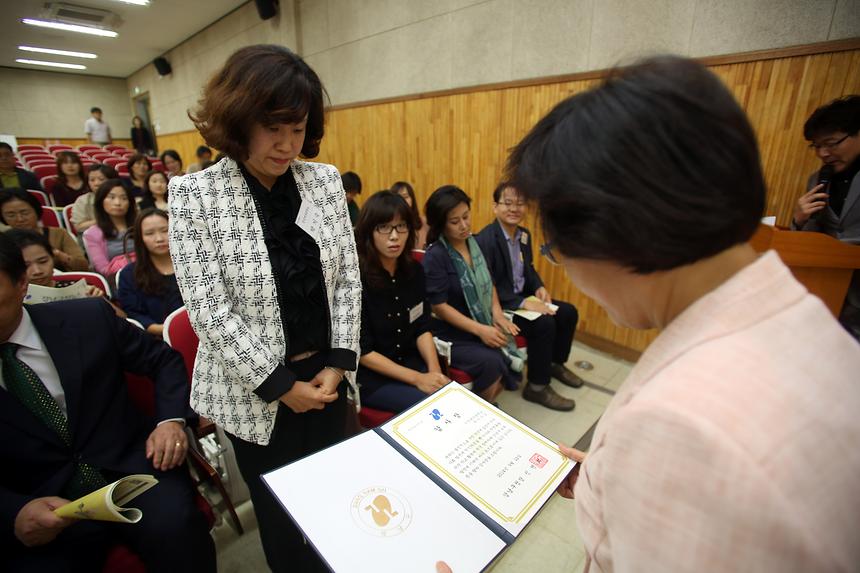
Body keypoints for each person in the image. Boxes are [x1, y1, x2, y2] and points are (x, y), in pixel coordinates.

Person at [501, 55, 860, 572]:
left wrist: (651, 458)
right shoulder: (802, 316)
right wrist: (617, 474)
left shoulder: (677, 426)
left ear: (609, 231)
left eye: (557, 248)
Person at [170, 44, 361, 573]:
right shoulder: (194, 196)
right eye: (273, 127)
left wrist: (337, 363)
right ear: (238, 120)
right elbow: (209, 309)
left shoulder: (322, 182)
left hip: (326, 375)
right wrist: (280, 386)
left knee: (331, 496)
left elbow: (346, 278)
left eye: (298, 129)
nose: (287, 144)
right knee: (281, 513)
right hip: (256, 391)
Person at [0, 233, 216, 573]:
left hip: (131, 470)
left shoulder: (86, 318)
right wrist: (13, 510)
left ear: (21, 283)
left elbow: (163, 362)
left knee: (178, 528)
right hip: (39, 501)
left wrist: (169, 421)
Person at [475, 182, 581, 411]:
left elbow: (529, 268)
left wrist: (539, 288)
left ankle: (555, 364)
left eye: (520, 203)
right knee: (544, 323)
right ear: (495, 207)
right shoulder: (486, 239)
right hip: (502, 306)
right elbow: (488, 284)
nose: (514, 208)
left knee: (568, 312)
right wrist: (524, 302)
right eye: (508, 203)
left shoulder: (524, 235)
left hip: (523, 298)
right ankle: (537, 387)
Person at [422, 185, 521, 403]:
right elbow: (440, 306)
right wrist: (481, 330)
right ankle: (479, 410)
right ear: (441, 224)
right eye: (455, 222)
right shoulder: (436, 255)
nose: (464, 225)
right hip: (451, 332)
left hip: (480, 321)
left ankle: (487, 405)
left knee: (504, 342)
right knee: (492, 360)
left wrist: (497, 315)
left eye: (466, 217)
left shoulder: (475, 243)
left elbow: (489, 282)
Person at [355, 191, 448, 412]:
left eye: (401, 226)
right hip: (375, 379)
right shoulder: (356, 280)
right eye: (384, 227)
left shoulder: (414, 270)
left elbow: (422, 326)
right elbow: (363, 351)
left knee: (449, 396)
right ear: (369, 231)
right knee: (431, 408)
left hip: (413, 362)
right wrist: (418, 379)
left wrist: (434, 371)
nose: (394, 236)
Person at [791, 95, 860, 340]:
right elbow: (812, 239)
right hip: (827, 292)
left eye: (831, 143)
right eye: (817, 146)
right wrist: (799, 220)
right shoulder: (817, 180)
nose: (823, 153)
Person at [118, 209, 182, 337]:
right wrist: (167, 330)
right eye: (149, 233)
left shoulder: (192, 264)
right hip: (158, 340)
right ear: (140, 238)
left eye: (165, 231)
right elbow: (135, 315)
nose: (159, 239)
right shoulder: (129, 274)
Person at [0, 188, 88, 271]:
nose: (20, 219)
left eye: (25, 213)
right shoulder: (3, 241)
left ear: (36, 210)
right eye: (11, 215)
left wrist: (57, 254)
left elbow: (83, 267)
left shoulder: (59, 234)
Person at [7, 229, 106, 296]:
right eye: (25, 266)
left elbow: (119, 320)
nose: (37, 271)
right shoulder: (9, 302)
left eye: (43, 261)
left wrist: (99, 301)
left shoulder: (80, 290)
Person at [82, 179, 136, 276]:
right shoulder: (92, 234)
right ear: (101, 201)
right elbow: (103, 269)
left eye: (124, 198)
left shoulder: (139, 225)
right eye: (111, 197)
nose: (118, 203)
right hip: (118, 279)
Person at [71, 163, 118, 234]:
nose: (96, 183)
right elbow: (79, 227)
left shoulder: (123, 197)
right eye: (92, 180)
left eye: (101, 179)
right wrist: (105, 220)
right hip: (91, 236)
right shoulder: (82, 200)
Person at [391, 180, 428, 249]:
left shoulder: (425, 222)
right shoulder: (390, 225)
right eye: (398, 197)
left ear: (412, 199)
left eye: (405, 197)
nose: (402, 200)